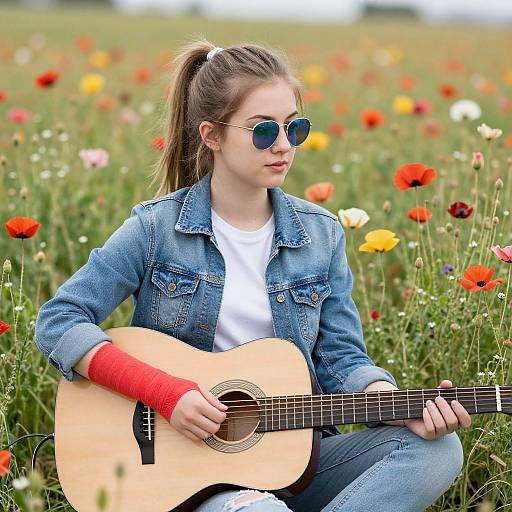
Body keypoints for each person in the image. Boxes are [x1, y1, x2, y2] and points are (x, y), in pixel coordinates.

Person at [35, 38, 471, 512]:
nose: (284, 146)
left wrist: (389, 401)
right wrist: (164, 393)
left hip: (298, 457)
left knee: (436, 450)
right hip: (191, 477)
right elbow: (59, 320)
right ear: (211, 135)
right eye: (263, 131)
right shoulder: (155, 229)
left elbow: (341, 357)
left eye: (294, 127)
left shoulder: (321, 236)